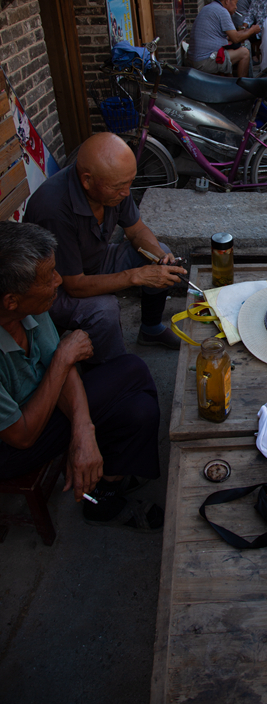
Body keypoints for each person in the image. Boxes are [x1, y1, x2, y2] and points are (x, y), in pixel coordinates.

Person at [0, 222, 163, 530]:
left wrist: (83, 432)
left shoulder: (29, 308)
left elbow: (60, 367)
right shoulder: (27, 306)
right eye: (49, 277)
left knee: (139, 410)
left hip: (42, 408)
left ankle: (106, 496)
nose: (59, 281)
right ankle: (110, 482)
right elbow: (22, 436)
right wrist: (63, 359)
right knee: (132, 371)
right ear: (11, 300)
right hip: (11, 447)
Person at [24, 133, 189, 362]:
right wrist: (136, 276)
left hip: (95, 261)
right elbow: (75, 286)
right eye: (119, 187)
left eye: (130, 183)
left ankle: (151, 329)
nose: (126, 193)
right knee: (105, 309)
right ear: (87, 180)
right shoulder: (53, 209)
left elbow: (137, 230)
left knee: (156, 254)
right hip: (55, 289)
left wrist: (160, 257)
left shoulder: (115, 187)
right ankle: (110, 372)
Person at [186, 0, 260, 76]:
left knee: (230, 55)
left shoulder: (208, 7)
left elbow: (232, 35)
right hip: (204, 60)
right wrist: (252, 30)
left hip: (194, 58)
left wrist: (246, 31)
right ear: (227, 0)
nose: (236, 7)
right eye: (235, 3)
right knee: (244, 53)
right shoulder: (222, 11)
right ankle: (241, 86)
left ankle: (228, 84)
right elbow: (236, 38)